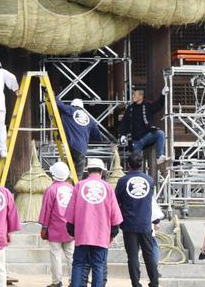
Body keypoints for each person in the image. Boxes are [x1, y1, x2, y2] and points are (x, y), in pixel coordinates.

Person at [65, 157, 123, 287]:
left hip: (82, 233)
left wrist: (72, 230)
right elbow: (115, 213)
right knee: (98, 265)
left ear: (88, 170)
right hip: (101, 234)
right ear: (102, 171)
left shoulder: (79, 185)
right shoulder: (107, 187)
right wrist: (113, 233)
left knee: (79, 264)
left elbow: (70, 212)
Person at [116, 152, 160, 287]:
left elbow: (116, 200)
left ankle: (136, 283)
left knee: (133, 256)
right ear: (141, 165)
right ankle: (154, 282)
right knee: (149, 254)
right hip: (145, 223)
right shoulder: (150, 180)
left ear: (128, 165)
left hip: (129, 223)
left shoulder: (123, 181)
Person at [39, 161, 75, 287]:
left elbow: (46, 210)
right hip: (70, 229)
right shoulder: (72, 188)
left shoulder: (51, 189)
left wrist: (44, 227)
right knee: (71, 257)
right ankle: (73, 282)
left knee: (56, 256)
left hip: (55, 228)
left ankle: (56, 282)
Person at [118, 87, 167, 164]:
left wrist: (163, 94)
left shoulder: (147, 105)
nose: (133, 96)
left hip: (146, 136)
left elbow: (158, 105)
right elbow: (124, 122)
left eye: (134, 94)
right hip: (135, 141)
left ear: (141, 96)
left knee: (160, 133)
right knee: (135, 162)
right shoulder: (130, 108)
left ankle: (159, 156)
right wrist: (123, 135)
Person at [57, 98, 103, 177]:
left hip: (70, 145)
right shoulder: (89, 119)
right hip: (81, 149)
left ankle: (66, 185)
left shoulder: (70, 110)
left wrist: (51, 94)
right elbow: (97, 135)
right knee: (78, 175)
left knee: (66, 171)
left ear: (73, 105)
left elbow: (59, 104)